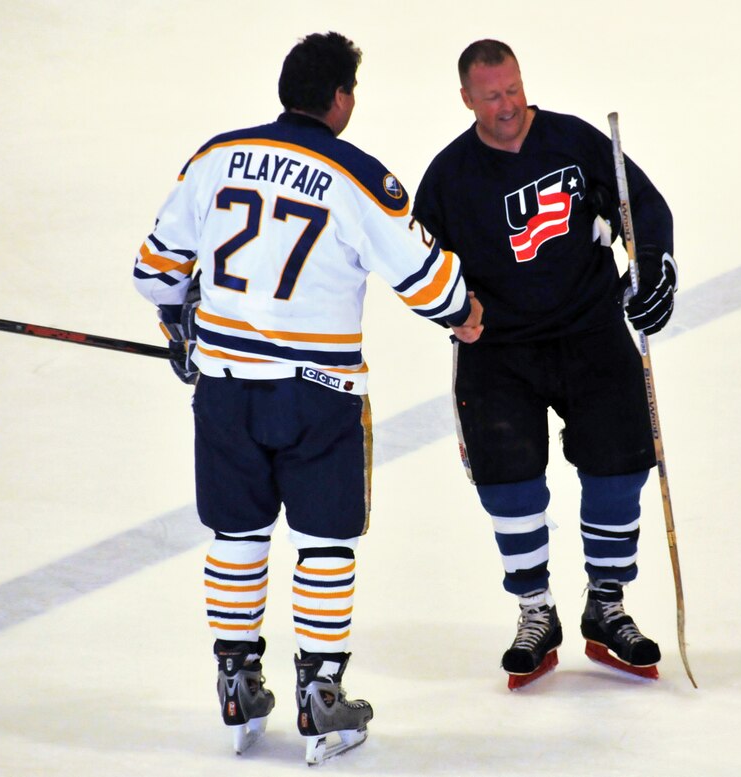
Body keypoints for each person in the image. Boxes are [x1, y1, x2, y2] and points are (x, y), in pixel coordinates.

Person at [133, 32, 483, 762]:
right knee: (324, 541)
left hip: (226, 391)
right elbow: (426, 279)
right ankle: (322, 695)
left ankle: (236, 680)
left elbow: (156, 269)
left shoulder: (214, 156)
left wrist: (180, 322)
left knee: (238, 535)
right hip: (317, 395)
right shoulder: (356, 174)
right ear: (341, 99)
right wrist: (463, 310)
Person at [412, 39, 677, 687]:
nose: (507, 106)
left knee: (620, 465)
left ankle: (607, 605)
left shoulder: (575, 143)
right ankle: (536, 611)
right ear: (466, 98)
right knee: (509, 481)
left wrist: (652, 269)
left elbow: (643, 208)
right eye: (492, 95)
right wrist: (449, 310)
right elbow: (415, 264)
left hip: (590, 331)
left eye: (514, 90)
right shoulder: (448, 176)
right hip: (497, 349)